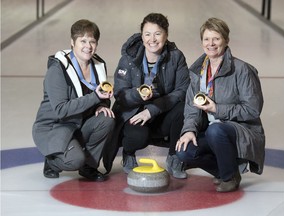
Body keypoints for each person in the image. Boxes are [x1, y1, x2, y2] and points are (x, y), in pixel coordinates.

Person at [175, 17, 265, 192]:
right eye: (206, 39)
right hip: (212, 131)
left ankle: (229, 177)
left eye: (216, 38)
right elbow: (191, 108)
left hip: (241, 130)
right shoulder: (198, 71)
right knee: (184, 151)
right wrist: (189, 131)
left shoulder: (242, 70)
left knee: (216, 130)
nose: (211, 44)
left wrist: (217, 109)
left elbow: (253, 109)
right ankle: (227, 170)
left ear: (226, 40)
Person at [32, 19, 115, 181]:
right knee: (74, 160)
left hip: (78, 123)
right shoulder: (57, 69)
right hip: (54, 126)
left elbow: (101, 93)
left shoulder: (98, 64)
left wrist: (102, 104)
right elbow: (61, 110)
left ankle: (89, 166)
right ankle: (52, 161)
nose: (88, 46)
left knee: (107, 118)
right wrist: (95, 97)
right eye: (83, 41)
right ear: (72, 42)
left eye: (92, 41)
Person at [112, 13, 190, 178]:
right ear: (141, 36)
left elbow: (183, 90)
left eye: (158, 33)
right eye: (147, 34)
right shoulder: (129, 58)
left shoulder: (176, 56)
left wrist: (152, 109)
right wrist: (138, 95)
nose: (152, 39)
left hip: (162, 111)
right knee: (139, 137)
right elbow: (119, 94)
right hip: (135, 113)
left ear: (166, 35)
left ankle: (175, 157)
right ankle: (129, 153)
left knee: (184, 108)